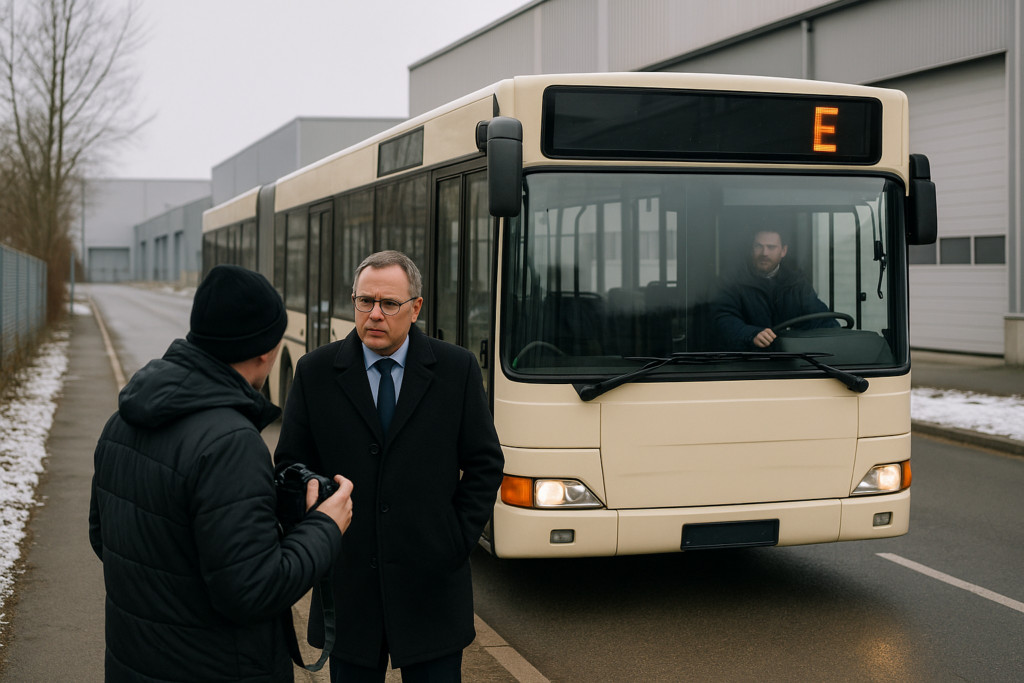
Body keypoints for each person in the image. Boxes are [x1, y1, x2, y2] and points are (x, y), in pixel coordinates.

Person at [89, 264, 354, 683]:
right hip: (216, 667)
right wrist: (325, 527)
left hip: (134, 661)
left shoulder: (123, 420)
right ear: (266, 350)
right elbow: (251, 591)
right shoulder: (231, 442)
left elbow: (107, 538)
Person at [274, 250, 504, 683]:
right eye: (365, 301)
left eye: (389, 304)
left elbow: (484, 464)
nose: (374, 314)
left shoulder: (456, 370)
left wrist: (454, 539)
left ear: (415, 308)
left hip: (431, 587)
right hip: (348, 589)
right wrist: (321, 530)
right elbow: (290, 465)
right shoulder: (315, 372)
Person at [711, 229, 838, 351]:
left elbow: (821, 320)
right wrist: (751, 335)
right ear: (751, 249)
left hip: (792, 363)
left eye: (771, 247)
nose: (764, 253)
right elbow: (722, 319)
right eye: (758, 246)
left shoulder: (797, 284)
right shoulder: (731, 282)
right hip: (747, 364)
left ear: (783, 251)